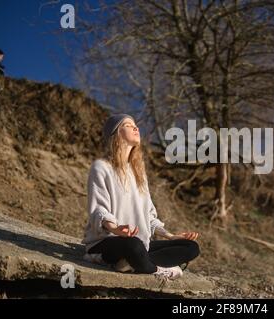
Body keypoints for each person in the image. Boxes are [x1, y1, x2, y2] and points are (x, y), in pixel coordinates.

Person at [82, 114, 200, 280]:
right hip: (108, 242)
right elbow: (98, 209)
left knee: (191, 247)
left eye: (135, 124)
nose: (136, 128)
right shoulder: (101, 167)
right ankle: (157, 268)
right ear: (115, 133)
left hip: (139, 243)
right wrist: (116, 229)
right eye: (128, 125)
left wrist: (171, 236)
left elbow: (149, 216)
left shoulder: (139, 173)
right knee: (134, 245)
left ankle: (131, 264)